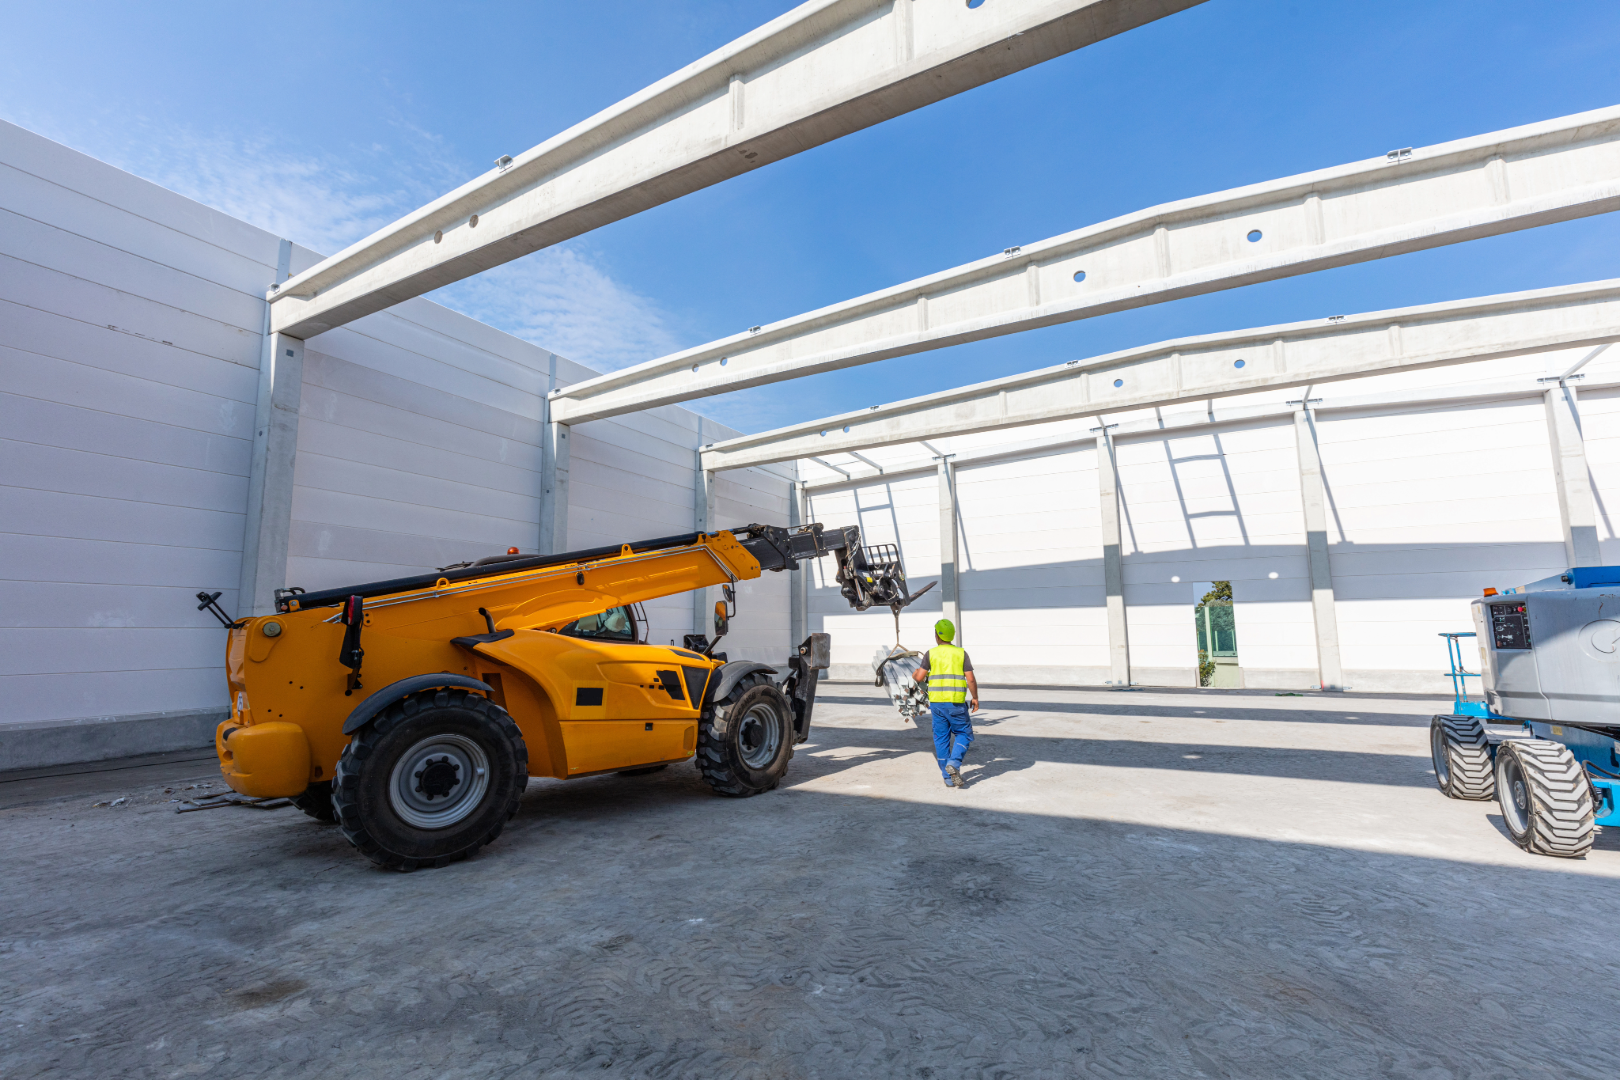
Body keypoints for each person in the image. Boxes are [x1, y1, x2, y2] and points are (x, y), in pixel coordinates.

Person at [912, 618, 979, 789]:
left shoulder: (931, 653)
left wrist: (915, 675)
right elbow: (970, 678)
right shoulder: (961, 653)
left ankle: (947, 777)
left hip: (937, 704)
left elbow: (919, 677)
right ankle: (955, 763)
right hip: (956, 703)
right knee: (964, 734)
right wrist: (975, 697)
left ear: (937, 635)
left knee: (941, 738)